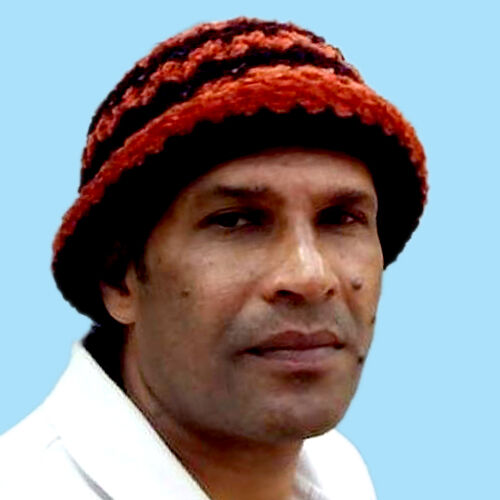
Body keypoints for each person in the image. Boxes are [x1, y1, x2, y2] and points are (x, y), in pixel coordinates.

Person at [0, 17, 427, 500]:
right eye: (236, 221)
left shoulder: (337, 470)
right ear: (119, 277)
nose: (310, 276)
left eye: (341, 218)